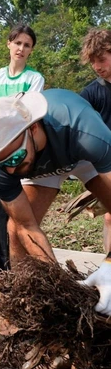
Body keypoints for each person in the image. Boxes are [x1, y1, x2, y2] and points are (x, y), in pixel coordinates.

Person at [0, 89, 111, 316]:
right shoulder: (1, 167)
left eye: (14, 158)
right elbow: (26, 226)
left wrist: (110, 264)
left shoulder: (86, 132)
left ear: (33, 128)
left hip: (80, 152)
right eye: (1, 163)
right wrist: (58, 289)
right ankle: (23, 298)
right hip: (39, 161)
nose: (11, 170)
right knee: (15, 227)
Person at [80, 28, 111, 254]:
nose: (97, 66)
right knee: (110, 217)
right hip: (107, 164)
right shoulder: (89, 94)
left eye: (101, 59)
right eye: (93, 62)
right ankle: (109, 270)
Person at [0, 23, 44, 102]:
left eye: (27, 45)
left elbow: (30, 108)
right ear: (8, 44)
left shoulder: (35, 78)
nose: (21, 49)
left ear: (31, 49)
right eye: (18, 43)